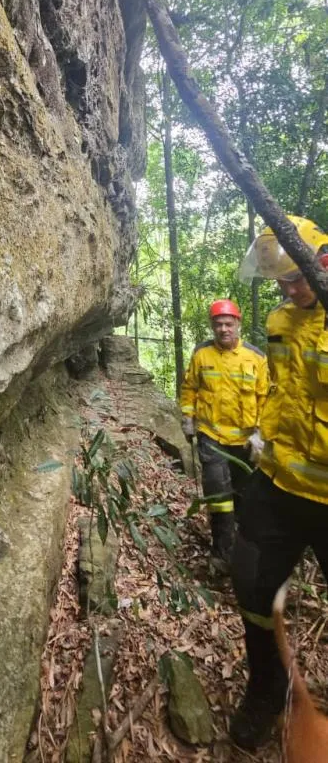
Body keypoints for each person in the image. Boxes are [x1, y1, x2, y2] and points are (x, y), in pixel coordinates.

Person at [229, 215, 328, 750]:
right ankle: (265, 688)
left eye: (297, 277)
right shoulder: (279, 320)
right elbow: (284, 389)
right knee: (250, 585)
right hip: (279, 484)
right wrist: (263, 431)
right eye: (283, 281)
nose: (291, 289)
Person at [180, 299, 269, 567]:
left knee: (244, 499)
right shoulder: (202, 354)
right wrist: (187, 416)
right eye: (218, 324)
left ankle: (244, 554)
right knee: (219, 497)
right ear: (212, 326)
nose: (223, 329)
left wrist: (261, 433)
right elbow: (189, 388)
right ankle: (221, 555)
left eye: (228, 324)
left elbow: (266, 397)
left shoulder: (256, 357)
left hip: (245, 442)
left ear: (238, 325)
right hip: (212, 438)